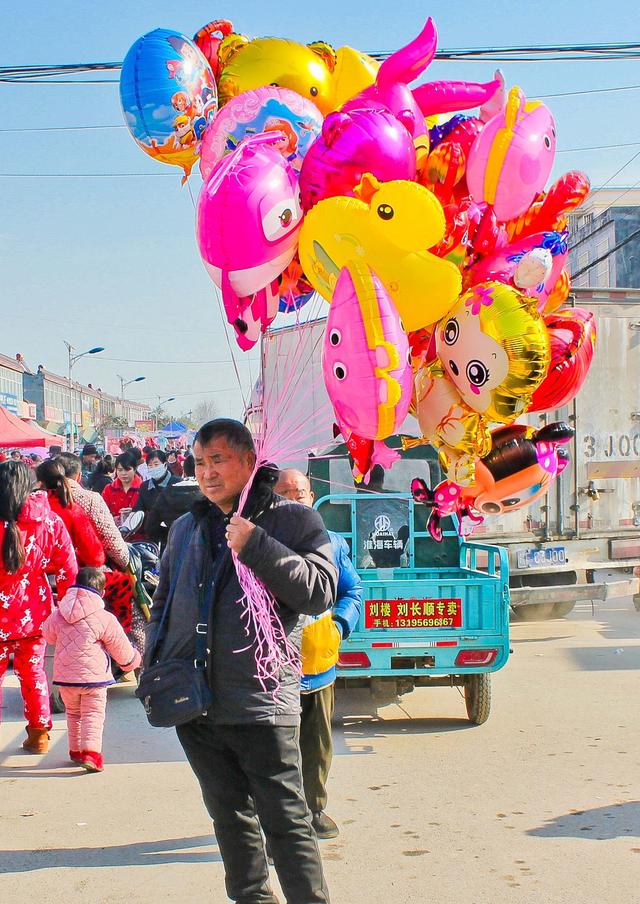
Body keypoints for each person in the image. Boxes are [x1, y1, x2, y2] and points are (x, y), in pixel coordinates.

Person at [147, 419, 337, 904]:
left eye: (219, 460)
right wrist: (154, 665)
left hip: (260, 701)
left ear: (250, 461)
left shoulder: (293, 520)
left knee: (286, 821)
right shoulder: (187, 527)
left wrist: (257, 544)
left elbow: (318, 592)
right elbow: (165, 603)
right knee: (228, 816)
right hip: (196, 705)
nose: (207, 472)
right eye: (199, 462)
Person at [275, 469, 363, 840]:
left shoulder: (333, 544)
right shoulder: (259, 545)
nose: (295, 502)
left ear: (312, 497)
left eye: (301, 494)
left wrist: (338, 626)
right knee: (276, 751)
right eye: (286, 495)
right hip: (272, 673)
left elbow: (352, 591)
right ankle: (277, 818)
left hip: (318, 666)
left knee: (317, 747)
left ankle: (314, 809)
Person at [0, 461, 77, 753]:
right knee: (33, 673)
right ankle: (40, 734)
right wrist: (67, 609)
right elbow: (68, 569)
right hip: (36, 613)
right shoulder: (49, 521)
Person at [42, 567, 141, 772]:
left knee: (74, 714)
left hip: (65, 678)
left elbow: (49, 636)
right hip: (93, 679)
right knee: (93, 715)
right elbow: (120, 648)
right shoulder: (103, 617)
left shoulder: (59, 613)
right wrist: (132, 662)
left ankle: (76, 751)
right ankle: (92, 754)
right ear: (102, 592)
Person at [36, 460, 105, 569]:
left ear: (39, 482)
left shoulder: (27, 509)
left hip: (30, 576)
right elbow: (95, 556)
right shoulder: (73, 510)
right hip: (66, 574)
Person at [144, 454, 203, 548]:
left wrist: (170, 536)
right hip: (204, 548)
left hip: (174, 547)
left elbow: (150, 527)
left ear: (184, 471)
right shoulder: (209, 494)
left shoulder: (166, 492)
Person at [134, 449, 180, 535]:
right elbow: (138, 508)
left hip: (175, 532)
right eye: (150, 466)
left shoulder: (177, 483)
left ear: (165, 465)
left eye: (156, 464)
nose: (153, 468)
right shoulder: (145, 486)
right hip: (153, 533)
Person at [101, 451, 143, 525]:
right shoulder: (109, 489)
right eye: (120, 470)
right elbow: (101, 512)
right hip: (114, 532)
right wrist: (112, 519)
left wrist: (135, 514)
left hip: (139, 534)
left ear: (135, 469)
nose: (123, 473)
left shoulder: (144, 488)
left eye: (127, 469)